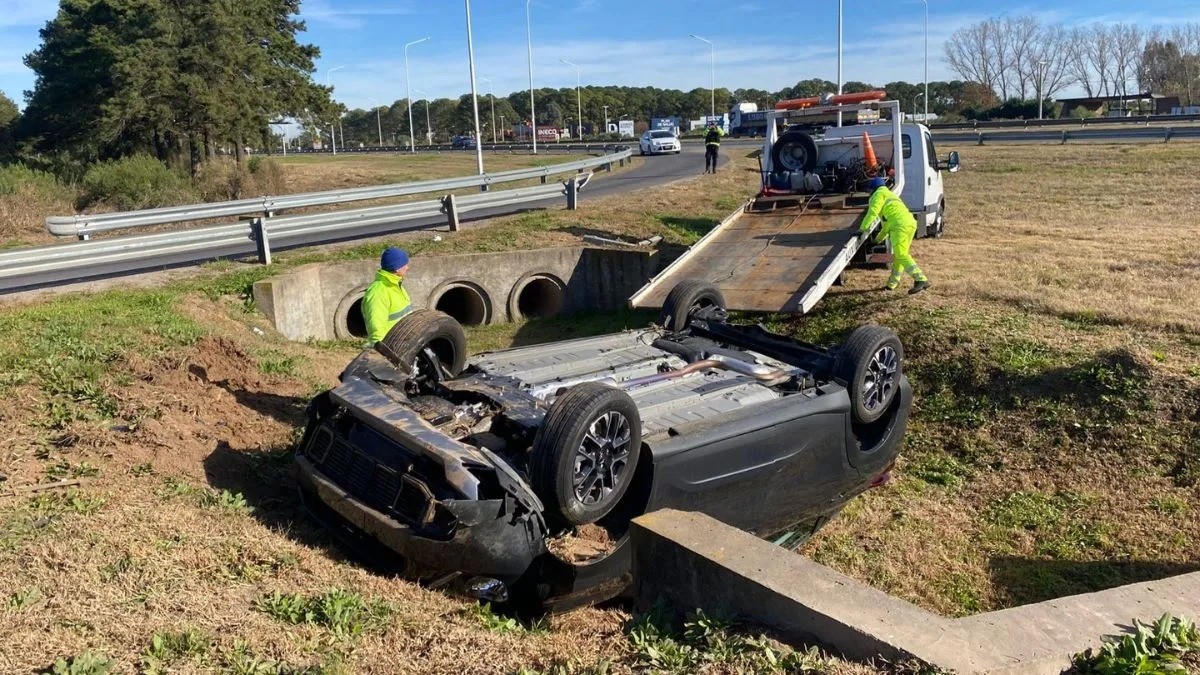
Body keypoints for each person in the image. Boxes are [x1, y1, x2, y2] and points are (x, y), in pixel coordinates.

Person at [860, 177, 929, 294]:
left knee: (901, 254)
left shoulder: (878, 195)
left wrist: (862, 229)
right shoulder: (890, 195)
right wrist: (877, 241)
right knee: (900, 255)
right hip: (910, 223)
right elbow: (886, 226)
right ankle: (892, 283)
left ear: (872, 189)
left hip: (899, 226)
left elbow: (873, 213)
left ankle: (920, 279)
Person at [363, 247, 414, 342]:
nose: (407, 268)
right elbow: (376, 329)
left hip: (404, 343)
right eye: (404, 265)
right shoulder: (378, 293)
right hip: (392, 347)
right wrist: (382, 353)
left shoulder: (396, 284)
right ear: (397, 269)